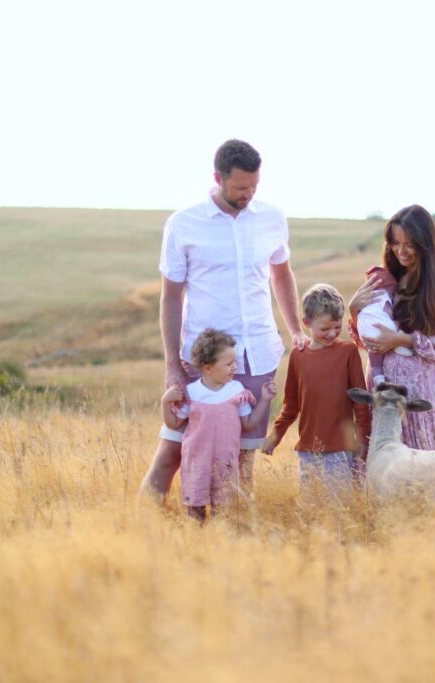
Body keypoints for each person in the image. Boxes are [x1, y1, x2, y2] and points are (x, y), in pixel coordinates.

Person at [139, 139, 307, 504]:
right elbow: (171, 297)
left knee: (242, 458)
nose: (248, 194)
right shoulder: (183, 224)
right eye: (240, 188)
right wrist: (172, 367)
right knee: (173, 449)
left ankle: (234, 535)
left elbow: (281, 275)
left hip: (257, 355)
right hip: (204, 359)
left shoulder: (271, 218)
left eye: (254, 187)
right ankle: (141, 527)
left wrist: (295, 330)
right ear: (218, 177)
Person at [348, 204, 435, 452]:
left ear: (424, 242)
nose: (401, 250)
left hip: (422, 386)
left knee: (424, 462)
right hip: (383, 384)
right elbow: (367, 339)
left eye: (409, 244)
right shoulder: (387, 277)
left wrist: (402, 340)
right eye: (395, 243)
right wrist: (354, 311)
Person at [261, 284, 371, 498]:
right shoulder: (297, 357)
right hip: (308, 451)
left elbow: (361, 403)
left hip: (342, 449)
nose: (331, 333)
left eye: (337, 327)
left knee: (340, 510)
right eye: (324, 329)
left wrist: (363, 441)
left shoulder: (348, 352)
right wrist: (276, 435)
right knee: (311, 509)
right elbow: (291, 405)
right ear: (307, 323)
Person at [161, 329, 277, 521]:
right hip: (197, 461)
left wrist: (264, 400)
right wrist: (166, 402)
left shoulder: (236, 390)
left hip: (225, 461)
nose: (234, 368)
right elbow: (173, 423)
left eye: (235, 362)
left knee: (221, 511)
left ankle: (219, 544)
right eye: (229, 364)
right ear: (208, 368)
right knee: (195, 509)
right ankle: (196, 542)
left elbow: (248, 423)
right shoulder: (192, 393)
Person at [355, 264, 413, 385]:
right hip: (382, 332)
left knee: (375, 362)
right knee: (394, 328)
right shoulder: (384, 299)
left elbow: (361, 322)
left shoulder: (366, 302)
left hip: (368, 335)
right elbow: (390, 315)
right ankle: (399, 347)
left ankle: (379, 379)